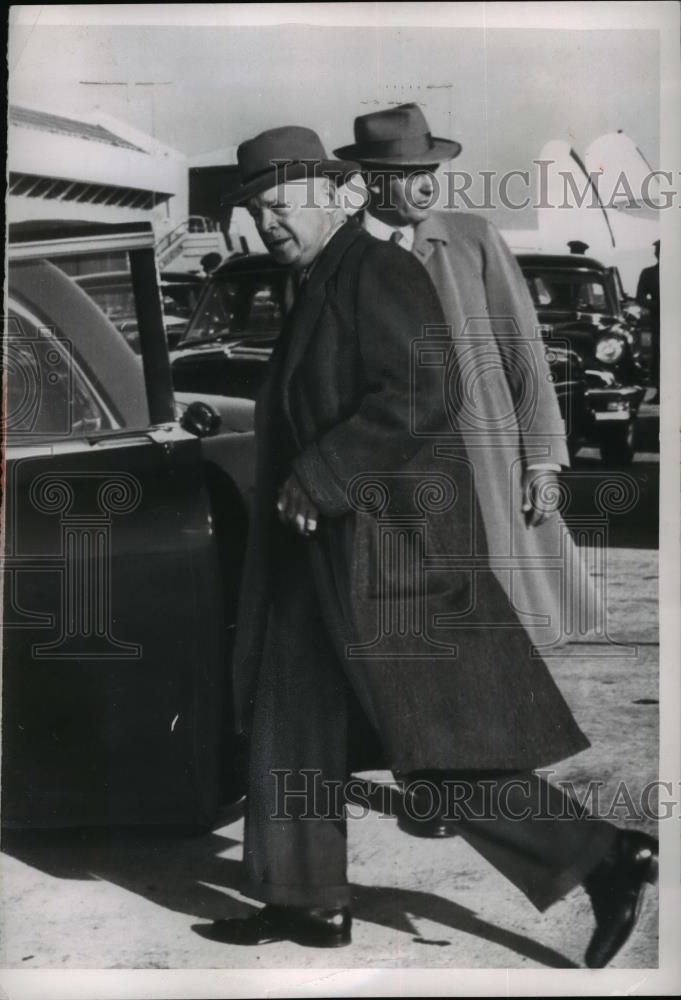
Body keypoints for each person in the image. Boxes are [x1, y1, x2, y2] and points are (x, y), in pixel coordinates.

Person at [202, 125, 657, 967]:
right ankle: (305, 899)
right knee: (288, 721)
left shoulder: (376, 270)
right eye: (256, 211)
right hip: (320, 554)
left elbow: (420, 390)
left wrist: (321, 475)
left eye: (281, 204)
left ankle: (601, 856)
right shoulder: (316, 278)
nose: (268, 223)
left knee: (429, 738)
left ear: (332, 194)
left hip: (385, 551)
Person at [335, 102, 598, 652]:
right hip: (394, 477)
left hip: (485, 463)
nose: (425, 185)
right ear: (372, 180)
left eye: (429, 171)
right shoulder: (343, 256)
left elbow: (523, 351)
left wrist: (543, 459)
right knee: (414, 638)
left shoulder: (474, 238)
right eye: (408, 174)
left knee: (506, 629)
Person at [636, 239, 660, 403]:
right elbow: (640, 297)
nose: (657, 253)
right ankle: (660, 391)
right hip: (658, 321)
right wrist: (658, 305)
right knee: (659, 356)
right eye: (657, 250)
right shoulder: (648, 273)